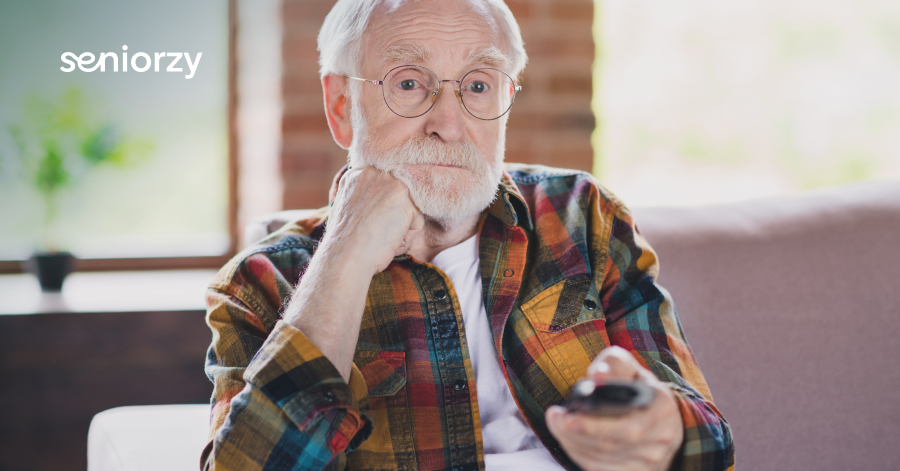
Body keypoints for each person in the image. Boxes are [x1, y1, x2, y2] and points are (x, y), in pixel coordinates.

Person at [202, 0, 735, 469]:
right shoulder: (262, 282)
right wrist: (347, 250)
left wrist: (658, 428)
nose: (449, 124)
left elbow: (709, 442)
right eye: (409, 83)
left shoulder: (580, 216)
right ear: (342, 106)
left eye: (478, 86)